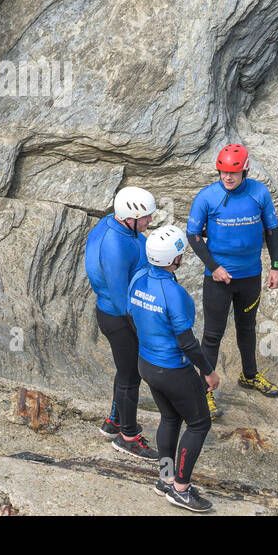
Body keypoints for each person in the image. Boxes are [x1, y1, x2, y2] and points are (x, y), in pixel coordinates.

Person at [186, 143, 278, 418]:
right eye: (223, 172)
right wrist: (213, 267)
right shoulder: (207, 197)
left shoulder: (259, 193)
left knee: (247, 328)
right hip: (218, 279)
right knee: (212, 336)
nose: (228, 177)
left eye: (234, 172)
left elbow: (272, 230)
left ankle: (249, 376)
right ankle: (204, 393)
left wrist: (275, 267)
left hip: (250, 276)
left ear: (245, 170)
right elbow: (193, 235)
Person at [128, 224, 220, 512]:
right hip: (172, 369)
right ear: (174, 259)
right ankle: (180, 488)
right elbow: (188, 343)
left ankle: (165, 478)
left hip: (147, 363)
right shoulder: (174, 293)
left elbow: (132, 316)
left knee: (169, 419)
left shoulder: (138, 277)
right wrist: (208, 371)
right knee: (199, 423)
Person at [83, 186, 160, 461]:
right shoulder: (115, 246)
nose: (150, 222)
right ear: (131, 217)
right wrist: (146, 330)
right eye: (146, 218)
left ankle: (113, 421)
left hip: (114, 313)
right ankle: (128, 437)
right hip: (118, 317)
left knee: (125, 370)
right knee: (130, 376)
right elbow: (120, 299)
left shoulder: (113, 224)